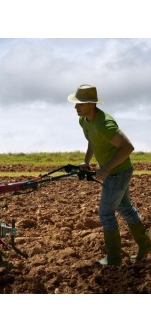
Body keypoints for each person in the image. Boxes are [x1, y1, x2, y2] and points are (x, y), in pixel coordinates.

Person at [67, 84, 151, 266]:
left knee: (106, 213)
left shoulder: (105, 124)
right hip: (114, 172)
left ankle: (114, 259)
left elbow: (128, 148)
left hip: (118, 173)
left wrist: (106, 169)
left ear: (91, 104)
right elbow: (92, 143)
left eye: (79, 103)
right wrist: (86, 161)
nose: (75, 107)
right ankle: (146, 245)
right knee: (125, 208)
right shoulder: (84, 121)